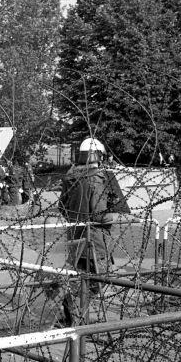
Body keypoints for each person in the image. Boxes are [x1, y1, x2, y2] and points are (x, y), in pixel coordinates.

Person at [56, 137, 129, 325]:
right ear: (99, 155)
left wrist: (77, 220)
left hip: (75, 236)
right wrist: (121, 217)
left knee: (78, 277)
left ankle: (70, 313)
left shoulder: (70, 176)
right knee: (99, 279)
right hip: (96, 240)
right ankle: (76, 314)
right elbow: (100, 215)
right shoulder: (99, 177)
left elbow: (62, 208)